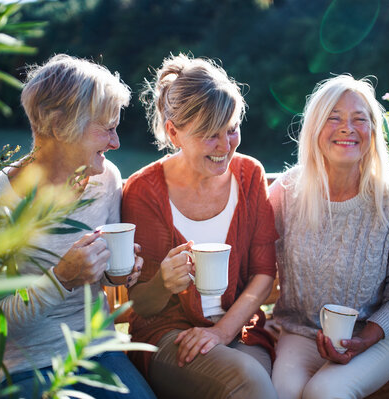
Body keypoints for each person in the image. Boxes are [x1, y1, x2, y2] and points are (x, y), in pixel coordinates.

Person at [0, 54, 155, 399]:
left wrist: (120, 271)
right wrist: (60, 280)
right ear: (58, 126)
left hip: (96, 350)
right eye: (107, 128)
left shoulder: (105, 179)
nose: (116, 143)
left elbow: (107, 278)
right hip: (23, 366)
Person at [121, 53, 279, 399]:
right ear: (173, 132)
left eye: (232, 129)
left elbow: (263, 275)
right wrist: (163, 282)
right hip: (166, 336)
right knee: (249, 384)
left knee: (257, 383)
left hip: (239, 331)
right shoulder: (144, 191)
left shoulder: (250, 175)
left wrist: (222, 332)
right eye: (211, 135)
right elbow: (143, 306)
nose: (226, 147)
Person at [269, 75, 389, 399]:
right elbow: (252, 256)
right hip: (300, 331)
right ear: (315, 127)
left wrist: (365, 340)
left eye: (360, 119)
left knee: (325, 393)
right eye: (334, 117)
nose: (348, 127)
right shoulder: (287, 192)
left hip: (375, 337)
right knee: (280, 393)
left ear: (373, 133)